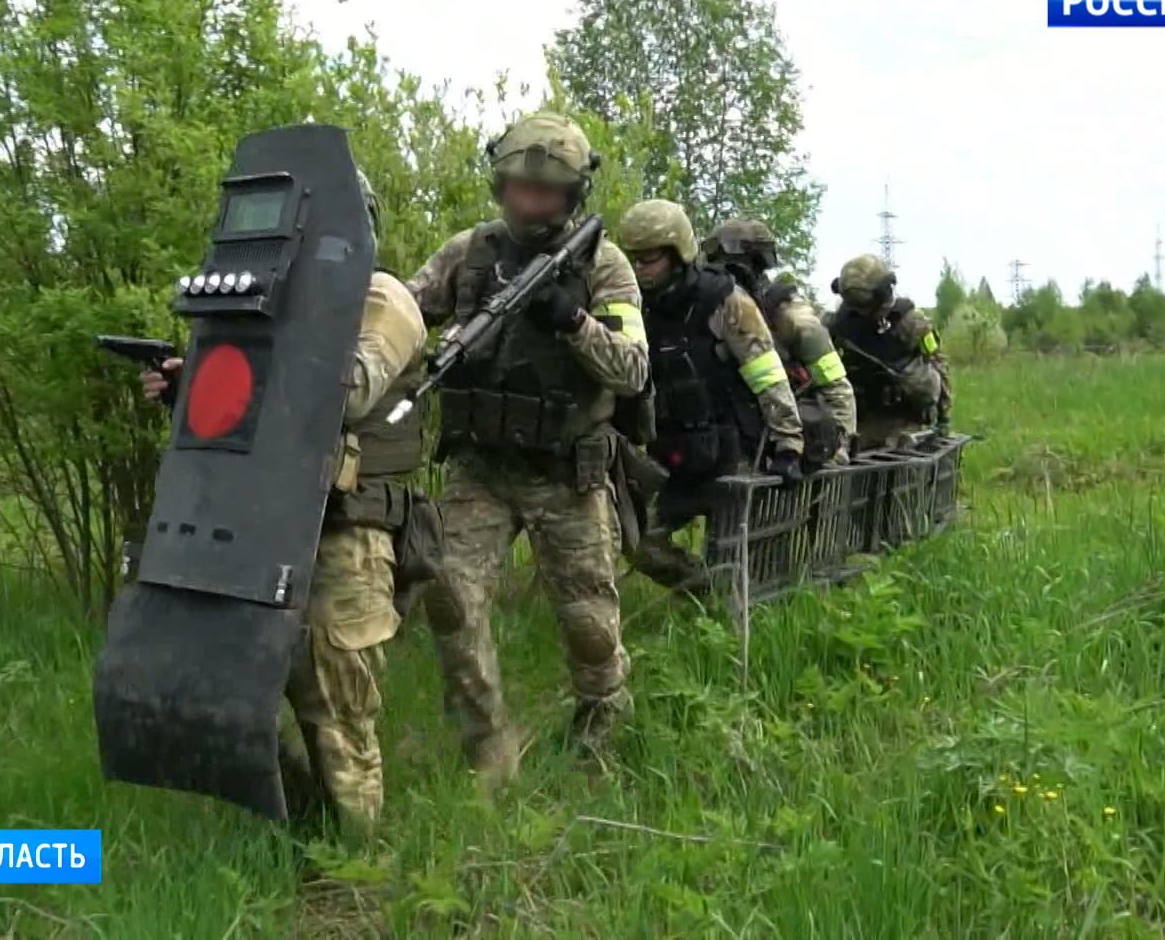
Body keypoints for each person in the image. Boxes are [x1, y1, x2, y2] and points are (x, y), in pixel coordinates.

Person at [139, 171, 428, 834]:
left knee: (338, 707)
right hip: (258, 525)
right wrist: (195, 385)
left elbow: (347, 390)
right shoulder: (268, 306)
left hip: (343, 532)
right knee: (236, 688)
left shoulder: (381, 296)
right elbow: (248, 410)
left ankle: (354, 870)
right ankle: (299, 828)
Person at [405, 112, 647, 780]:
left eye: (545, 193)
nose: (530, 203)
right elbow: (401, 312)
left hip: (566, 472)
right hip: (480, 467)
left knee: (589, 622)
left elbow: (632, 370)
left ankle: (600, 741)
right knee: (450, 598)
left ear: (572, 196)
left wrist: (573, 320)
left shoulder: (604, 263)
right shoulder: (470, 252)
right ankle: (488, 749)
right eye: (518, 188)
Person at [614, 200, 807, 592]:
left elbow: (768, 376)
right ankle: (703, 595)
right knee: (640, 541)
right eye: (633, 259)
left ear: (677, 252)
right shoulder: (635, 305)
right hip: (674, 454)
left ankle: (730, 619)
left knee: (733, 557)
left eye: (648, 259)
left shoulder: (726, 301)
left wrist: (789, 443)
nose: (638, 269)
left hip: (735, 453)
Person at [827, 254, 953, 450]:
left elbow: (938, 366)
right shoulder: (837, 325)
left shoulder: (911, 322)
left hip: (902, 421)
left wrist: (944, 417)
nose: (860, 308)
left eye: (863, 299)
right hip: (858, 420)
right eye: (853, 300)